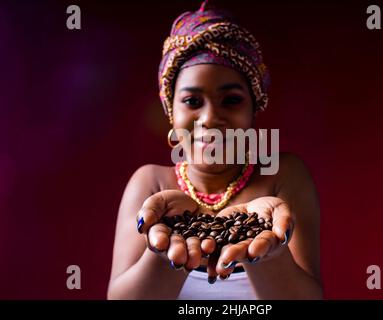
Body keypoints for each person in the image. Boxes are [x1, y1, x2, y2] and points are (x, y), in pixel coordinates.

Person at [107, 0, 322, 300]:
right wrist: (163, 252)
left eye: (231, 100)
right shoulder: (150, 184)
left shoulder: (282, 176)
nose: (209, 119)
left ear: (253, 109)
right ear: (172, 113)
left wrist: (270, 256)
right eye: (193, 102)